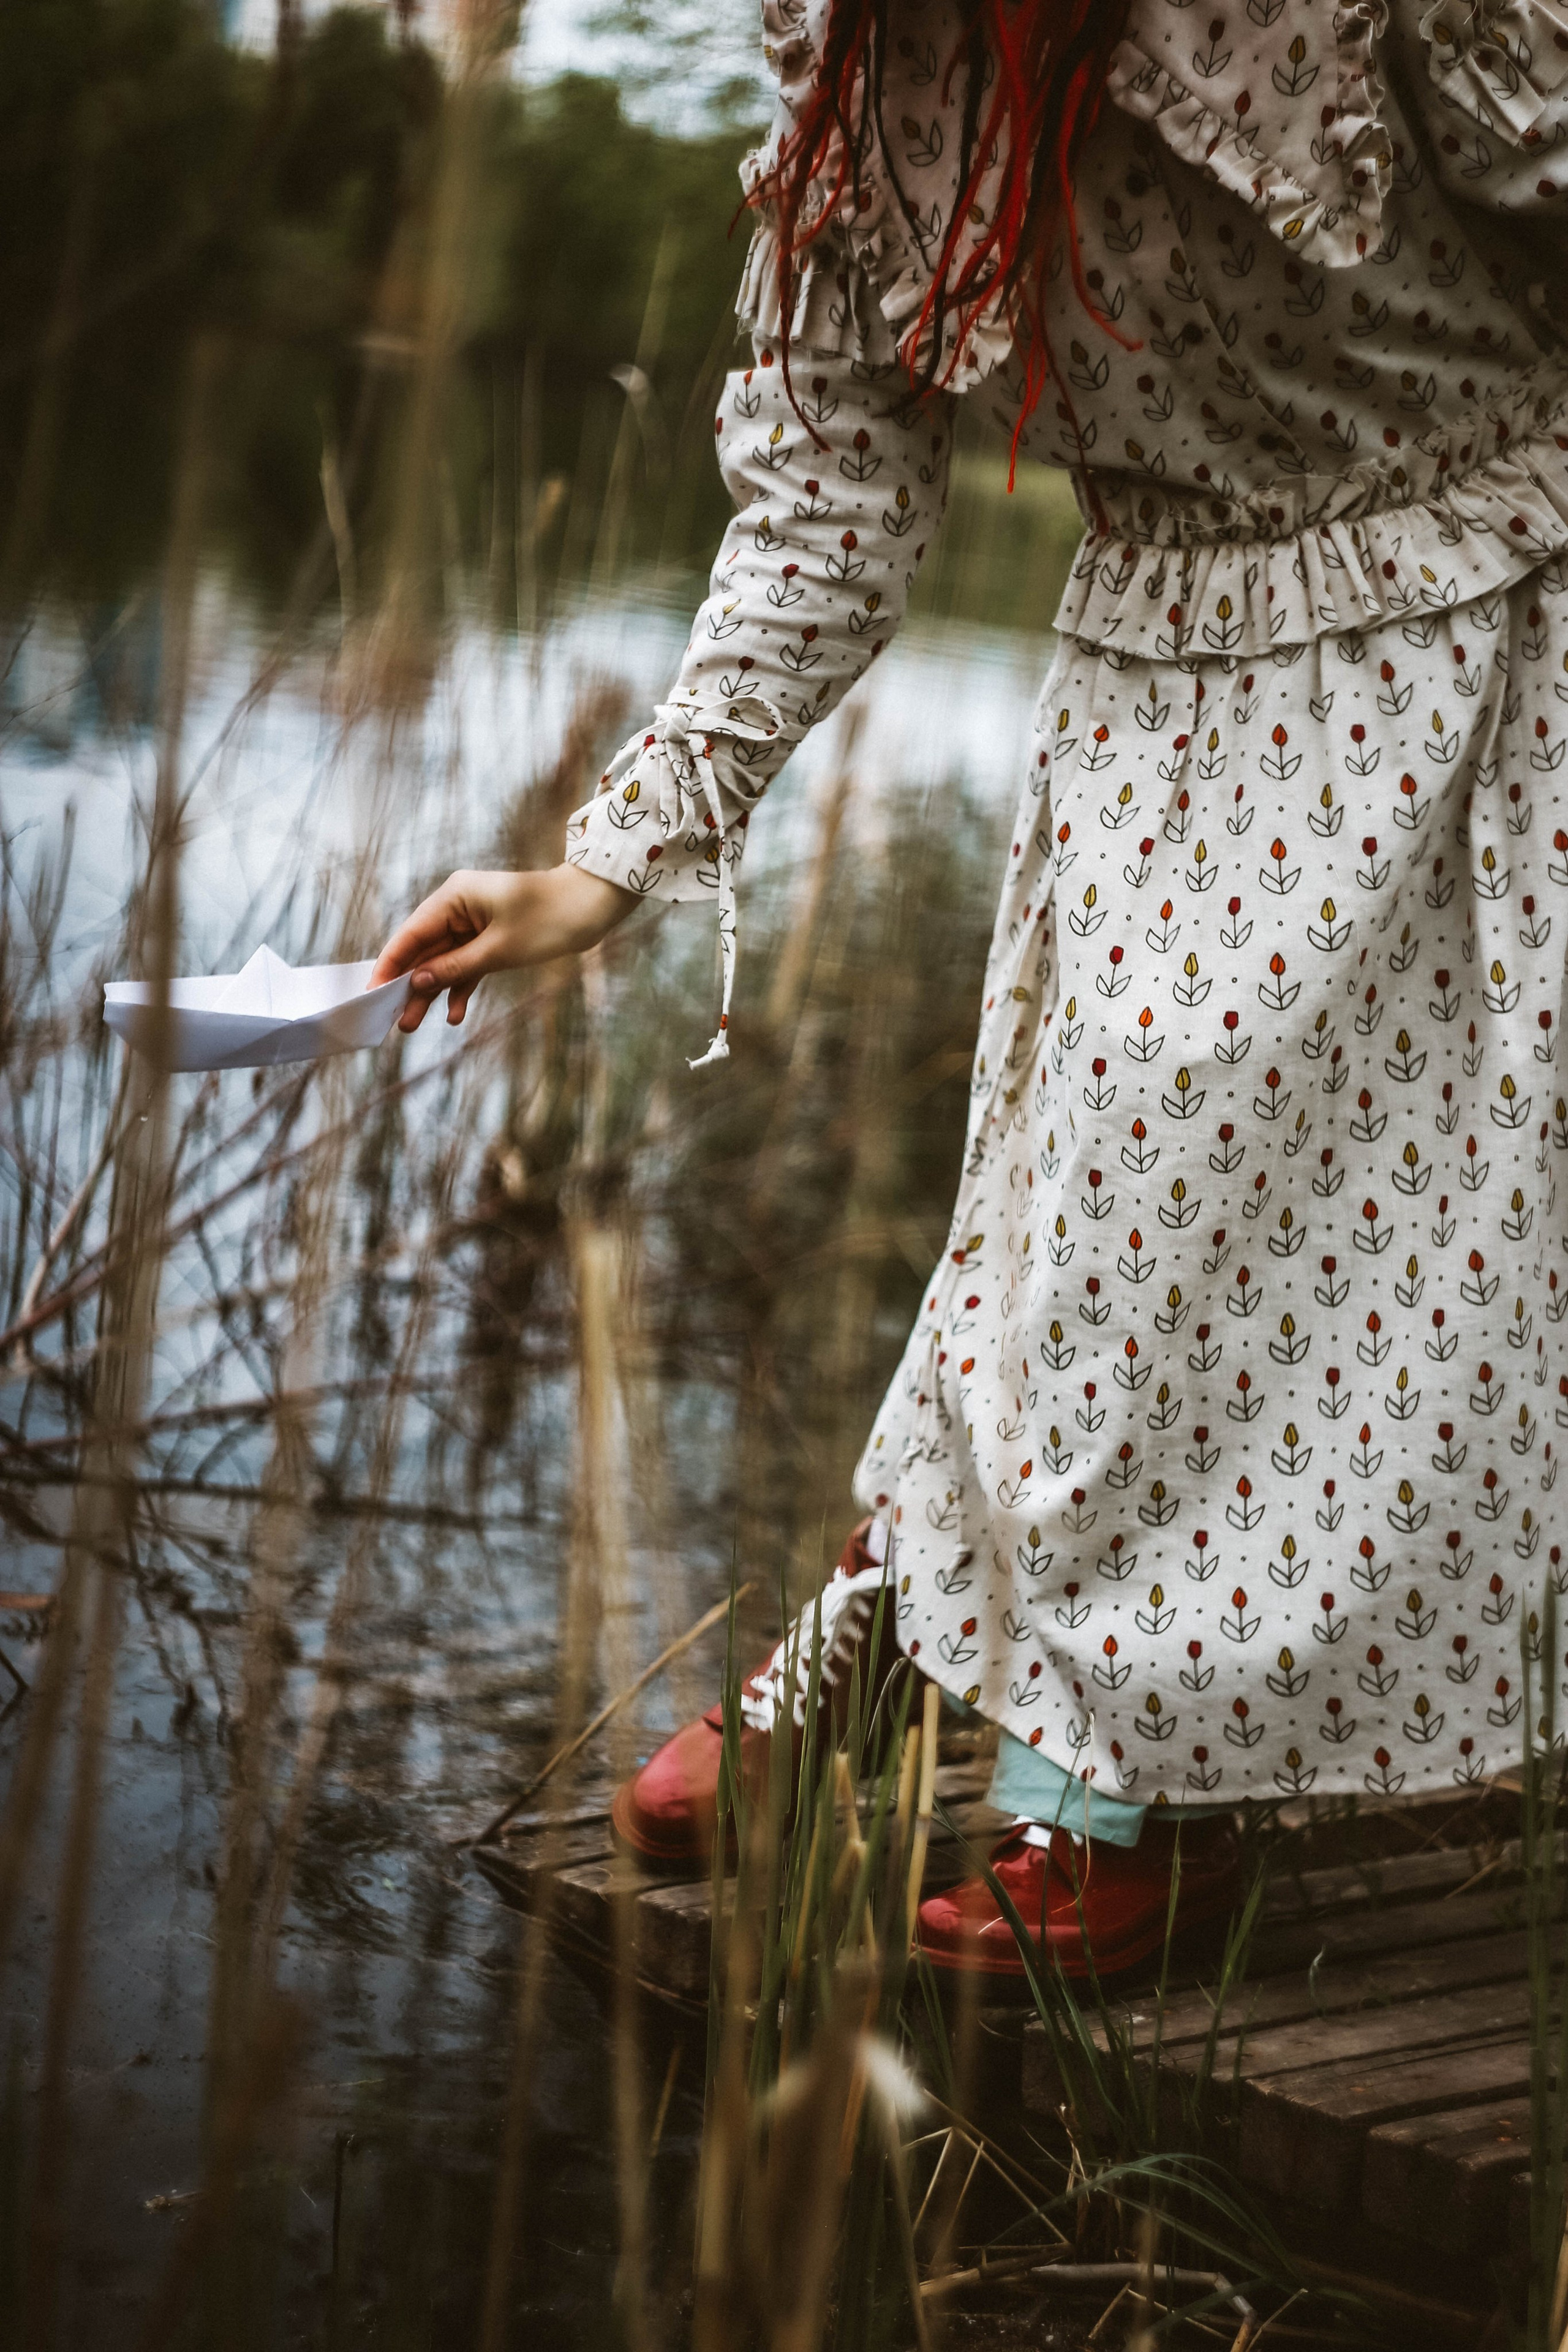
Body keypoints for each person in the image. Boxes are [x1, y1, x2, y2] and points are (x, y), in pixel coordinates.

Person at [374, 0, 1568, 1980]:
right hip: (1161, 653)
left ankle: (1115, 1790)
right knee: (1058, 1215)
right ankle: (911, 1635)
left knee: (1333, 1241)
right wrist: (602, 862)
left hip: (1477, 632)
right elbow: (833, 499)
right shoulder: (871, 70)